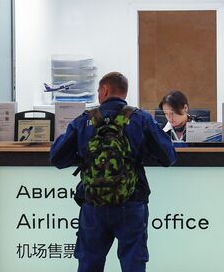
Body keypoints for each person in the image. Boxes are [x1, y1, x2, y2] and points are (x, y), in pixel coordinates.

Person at [50, 72, 176, 272]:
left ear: (105, 90)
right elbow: (168, 157)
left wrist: (85, 156)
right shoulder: (140, 119)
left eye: (99, 91)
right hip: (131, 201)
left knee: (89, 264)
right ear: (124, 92)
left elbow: (56, 157)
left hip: (93, 205)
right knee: (133, 264)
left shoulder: (84, 121)